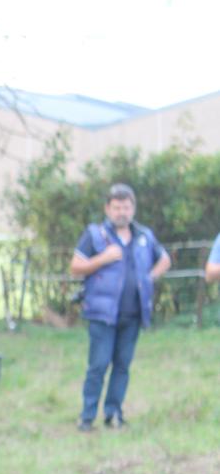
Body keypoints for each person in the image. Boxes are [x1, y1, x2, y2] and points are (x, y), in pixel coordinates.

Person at [69, 183, 171, 431]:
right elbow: (75, 267)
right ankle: (87, 417)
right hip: (102, 315)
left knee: (122, 366)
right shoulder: (95, 235)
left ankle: (114, 414)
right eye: (116, 208)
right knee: (98, 365)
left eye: (126, 207)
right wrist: (103, 258)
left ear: (133, 208)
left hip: (133, 314)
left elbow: (165, 259)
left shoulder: (144, 236)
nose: (121, 212)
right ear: (107, 208)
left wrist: (149, 278)